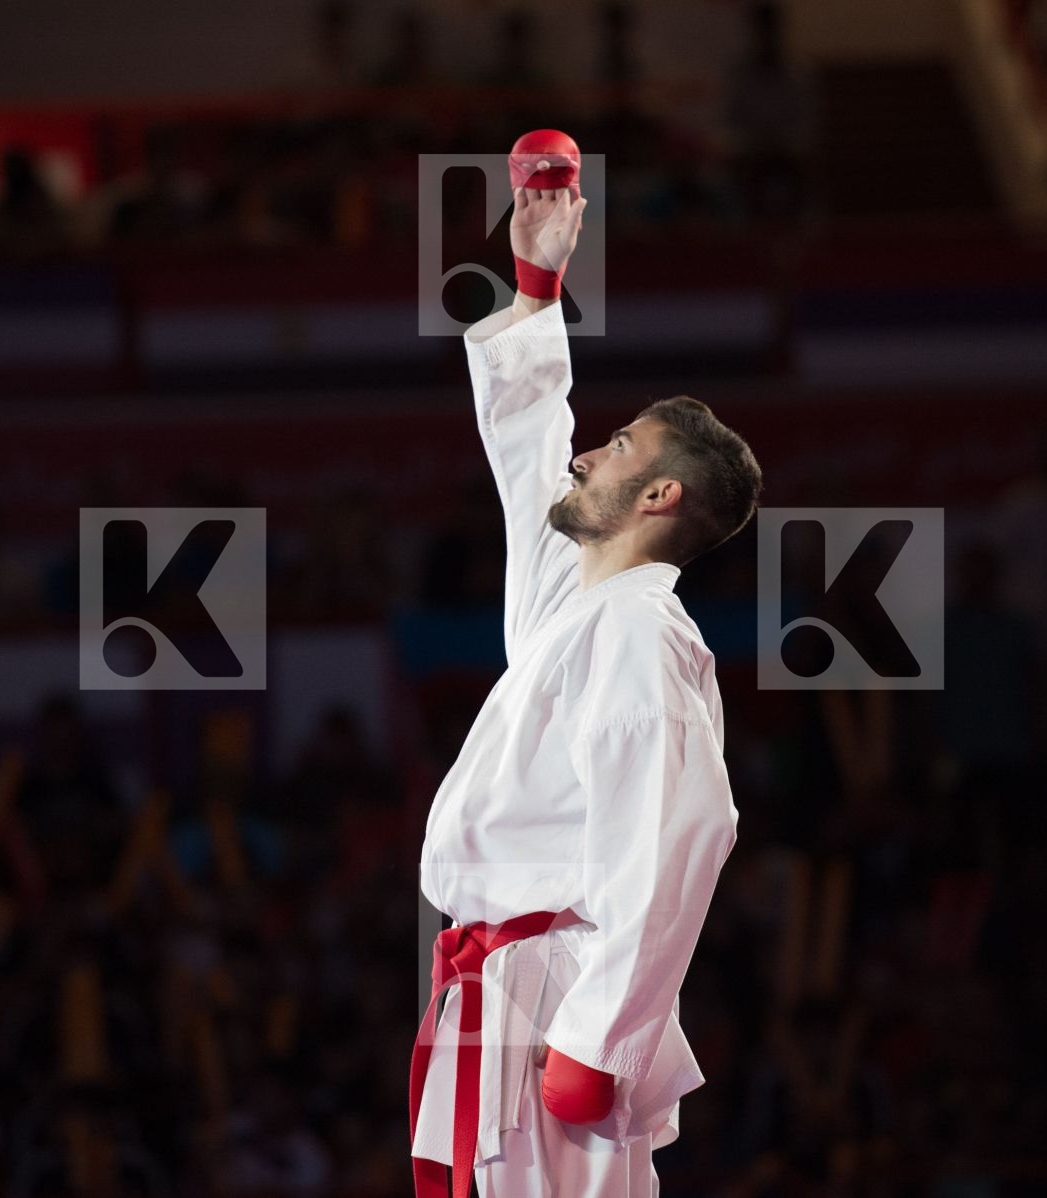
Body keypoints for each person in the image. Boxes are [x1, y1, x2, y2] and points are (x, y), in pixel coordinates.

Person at [410, 172, 763, 1196]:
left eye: (612, 451)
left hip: (556, 991)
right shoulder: (581, 601)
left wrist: (602, 1038)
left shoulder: (643, 635)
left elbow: (678, 836)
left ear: (658, 495)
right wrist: (535, 283)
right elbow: (531, 469)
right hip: (496, 980)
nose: (582, 460)